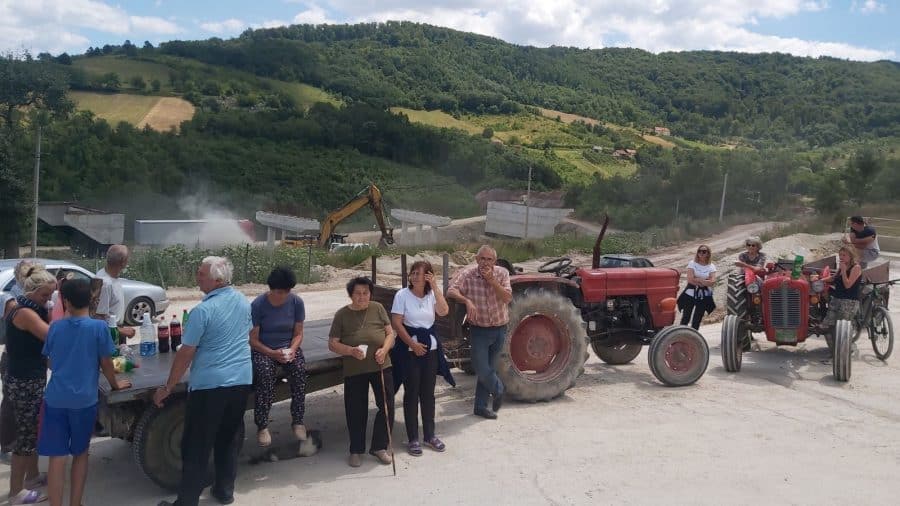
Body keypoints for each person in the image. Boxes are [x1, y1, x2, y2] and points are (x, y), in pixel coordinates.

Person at [154, 257, 252, 506]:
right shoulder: (242, 301)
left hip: (210, 386)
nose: (197, 277)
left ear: (217, 280)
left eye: (201, 274)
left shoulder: (203, 311)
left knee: (196, 444)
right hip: (240, 381)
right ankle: (224, 490)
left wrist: (167, 387)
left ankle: (186, 502)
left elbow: (186, 353)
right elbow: (249, 333)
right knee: (227, 438)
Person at [39, 279, 131, 506]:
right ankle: (76, 503)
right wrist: (115, 384)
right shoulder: (98, 328)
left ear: (66, 302)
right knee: (80, 453)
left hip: (56, 399)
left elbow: (50, 361)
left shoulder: (55, 327)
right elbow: (106, 362)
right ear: (91, 300)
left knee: (57, 457)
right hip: (84, 401)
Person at [328, 276, 396, 468]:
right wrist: (350, 351)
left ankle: (380, 446)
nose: (362, 296)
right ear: (351, 295)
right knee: (356, 409)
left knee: (387, 405)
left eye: (365, 293)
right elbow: (332, 343)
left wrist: (384, 349)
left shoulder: (378, 308)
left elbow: (390, 333)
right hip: (355, 368)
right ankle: (356, 449)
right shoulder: (342, 315)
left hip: (380, 364)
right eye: (358, 293)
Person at [390, 260, 453, 456]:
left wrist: (435, 286)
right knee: (412, 394)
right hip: (410, 350)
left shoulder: (432, 294)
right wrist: (412, 344)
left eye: (421, 273)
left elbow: (444, 311)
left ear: (429, 276)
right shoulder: (402, 295)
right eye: (413, 273)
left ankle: (430, 435)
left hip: (431, 350)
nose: (416, 276)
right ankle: (413, 438)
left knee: (428, 394)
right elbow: (397, 323)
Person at [5, 266, 56, 504]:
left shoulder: (29, 308)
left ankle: (32, 476)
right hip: (24, 382)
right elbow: (51, 336)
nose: (48, 301)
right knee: (25, 437)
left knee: (33, 428)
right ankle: (16, 492)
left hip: (29, 378)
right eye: (45, 296)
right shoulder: (25, 313)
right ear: (32, 291)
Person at [447, 245, 512, 420]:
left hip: (500, 328)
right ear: (476, 260)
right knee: (481, 367)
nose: (485, 262)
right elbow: (451, 290)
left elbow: (507, 298)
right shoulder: (468, 274)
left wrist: (492, 281)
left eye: (489, 259)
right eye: (482, 259)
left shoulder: (502, 273)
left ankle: (480, 407)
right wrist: (466, 300)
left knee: (489, 368)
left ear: (495, 262)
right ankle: (499, 389)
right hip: (479, 330)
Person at [250, 267, 308, 448]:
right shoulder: (258, 305)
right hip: (264, 348)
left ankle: (298, 420)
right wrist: (272, 353)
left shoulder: (296, 302)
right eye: (279, 292)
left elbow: (298, 333)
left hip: (287, 347)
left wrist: (291, 349)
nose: (283, 295)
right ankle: (262, 425)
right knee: (265, 375)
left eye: (287, 291)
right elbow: (252, 339)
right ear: (271, 289)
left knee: (300, 372)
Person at [0, 260, 37, 466]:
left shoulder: (19, 295)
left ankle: (12, 445)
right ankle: (7, 445)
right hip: (14, 358)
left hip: (14, 356)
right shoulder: (14, 298)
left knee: (12, 403)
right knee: (10, 404)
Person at [819, 246, 863, 336]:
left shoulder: (856, 268)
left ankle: (849, 349)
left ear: (851, 256)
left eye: (844, 255)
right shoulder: (842, 267)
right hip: (836, 299)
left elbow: (848, 285)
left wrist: (843, 270)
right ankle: (834, 348)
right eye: (840, 255)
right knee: (825, 327)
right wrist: (820, 280)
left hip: (849, 301)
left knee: (842, 331)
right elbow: (833, 278)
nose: (841, 257)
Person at [95, 244, 135, 343]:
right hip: (110, 336)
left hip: (117, 330)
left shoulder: (112, 277)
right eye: (127, 259)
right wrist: (121, 331)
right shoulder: (105, 283)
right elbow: (98, 318)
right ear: (122, 262)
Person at [678, 245, 717, 330]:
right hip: (690, 293)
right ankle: (681, 337)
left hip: (704, 295)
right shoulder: (692, 263)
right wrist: (704, 281)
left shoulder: (711, 266)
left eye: (704, 251)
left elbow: (713, 281)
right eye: (699, 251)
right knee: (686, 317)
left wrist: (699, 280)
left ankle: (693, 338)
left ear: (708, 253)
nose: (701, 253)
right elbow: (690, 279)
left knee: (697, 318)